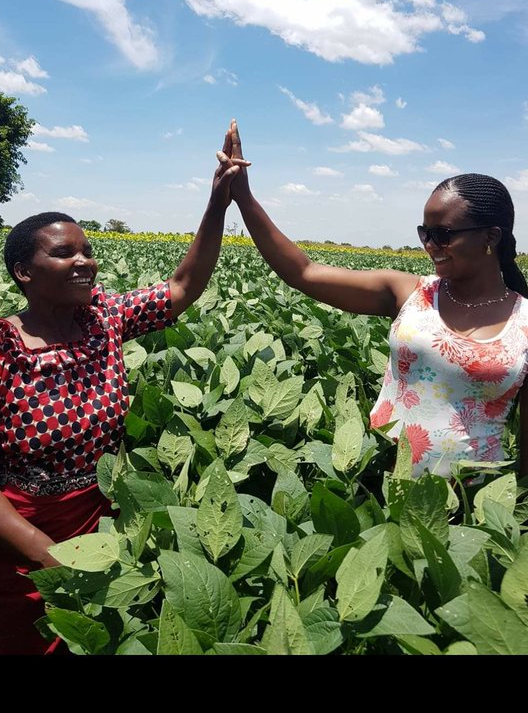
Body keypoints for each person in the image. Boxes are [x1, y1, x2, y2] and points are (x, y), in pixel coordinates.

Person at [0, 139, 249, 655]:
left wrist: (219, 201)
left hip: (100, 514)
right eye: (64, 253)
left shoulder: (103, 321)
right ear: (24, 271)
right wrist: (44, 550)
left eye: (87, 250)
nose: (85, 261)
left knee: (91, 637)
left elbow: (183, 285)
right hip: (21, 527)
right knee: (10, 634)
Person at [218, 119, 528, 483]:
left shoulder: (523, 324)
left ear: (491, 236)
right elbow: (303, 272)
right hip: (376, 482)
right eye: (424, 233)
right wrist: (244, 198)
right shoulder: (410, 294)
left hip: (473, 502)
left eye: (442, 235)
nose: (429, 245)